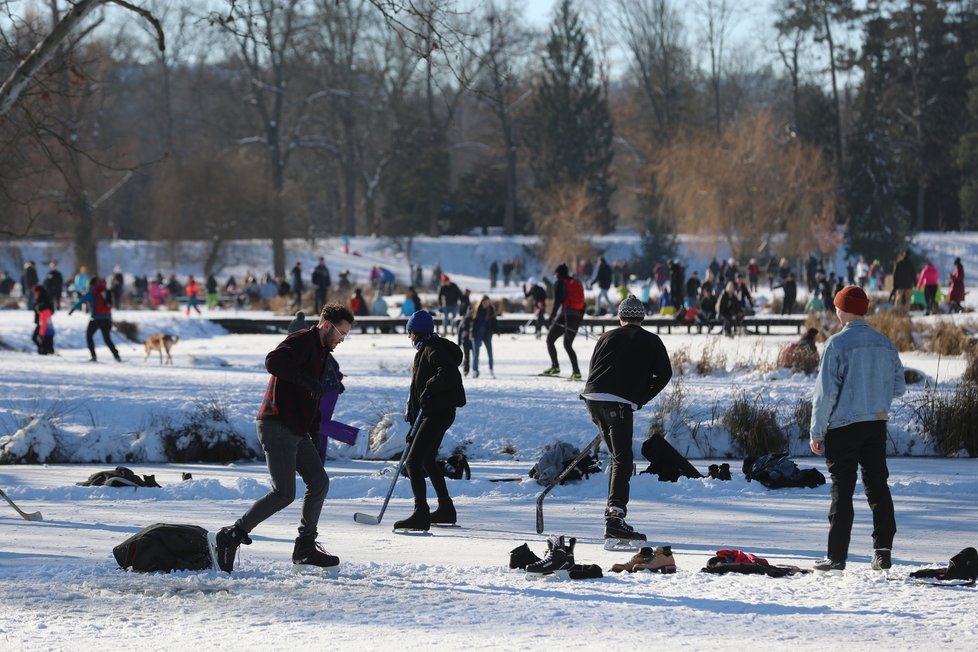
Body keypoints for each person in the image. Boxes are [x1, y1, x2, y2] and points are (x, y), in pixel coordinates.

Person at [214, 303, 355, 574]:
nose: (342, 339)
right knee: (284, 493)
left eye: (346, 335)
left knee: (319, 482)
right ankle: (231, 535)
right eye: (341, 332)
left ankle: (304, 547)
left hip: (296, 429)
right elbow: (273, 361)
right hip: (276, 424)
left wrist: (313, 431)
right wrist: (307, 381)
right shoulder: (302, 340)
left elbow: (310, 398)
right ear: (326, 325)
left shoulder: (322, 351)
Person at [809, 286, 904, 573]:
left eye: (837, 307)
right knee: (878, 487)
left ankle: (836, 556)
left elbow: (825, 394)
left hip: (843, 426)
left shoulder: (836, 345)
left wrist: (816, 431)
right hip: (875, 423)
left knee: (843, 490)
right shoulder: (885, 343)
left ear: (842, 309)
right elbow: (899, 387)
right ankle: (882, 552)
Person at [581, 295, 672, 549]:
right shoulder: (651, 340)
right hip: (618, 403)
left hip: (592, 398)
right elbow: (665, 374)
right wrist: (640, 397)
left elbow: (592, 369)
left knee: (617, 458)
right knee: (623, 459)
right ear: (641, 318)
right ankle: (615, 517)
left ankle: (614, 513)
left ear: (621, 317)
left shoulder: (606, 336)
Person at [395, 310, 466, 531]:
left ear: (416, 332)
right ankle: (446, 509)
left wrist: (429, 388)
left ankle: (421, 513)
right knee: (426, 460)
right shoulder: (428, 349)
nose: (409, 337)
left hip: (438, 413)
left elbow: (448, 374)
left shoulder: (433, 349)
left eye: (410, 333)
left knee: (413, 461)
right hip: (436, 413)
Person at [541, 263, 586, 380]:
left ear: (558, 274)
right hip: (576, 316)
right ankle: (576, 372)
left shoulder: (560, 283)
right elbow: (583, 304)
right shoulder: (575, 283)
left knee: (550, 340)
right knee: (568, 345)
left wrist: (551, 318)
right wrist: (579, 319)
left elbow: (557, 303)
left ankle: (555, 367)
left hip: (565, 315)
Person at [69, 277, 121, 362]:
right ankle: (117, 356)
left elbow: (82, 300)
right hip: (107, 318)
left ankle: (93, 356)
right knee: (107, 339)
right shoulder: (105, 291)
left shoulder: (92, 292)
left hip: (96, 318)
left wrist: (73, 309)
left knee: (89, 335)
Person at [462, 295, 498, 379]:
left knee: (490, 353)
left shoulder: (491, 310)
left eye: (488, 303)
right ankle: (475, 370)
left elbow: (494, 322)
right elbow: (466, 320)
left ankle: (491, 369)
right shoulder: (475, 310)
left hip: (487, 335)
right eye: (485, 302)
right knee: (476, 354)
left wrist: (497, 330)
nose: (487, 304)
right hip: (476, 334)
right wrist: (465, 329)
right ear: (481, 302)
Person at [32, 285, 55, 355]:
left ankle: (44, 349)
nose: (34, 294)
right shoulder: (40, 298)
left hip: (43, 321)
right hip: (42, 321)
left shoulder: (43, 299)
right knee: (41, 337)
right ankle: (44, 349)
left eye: (35, 292)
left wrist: (38, 308)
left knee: (37, 337)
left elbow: (46, 309)